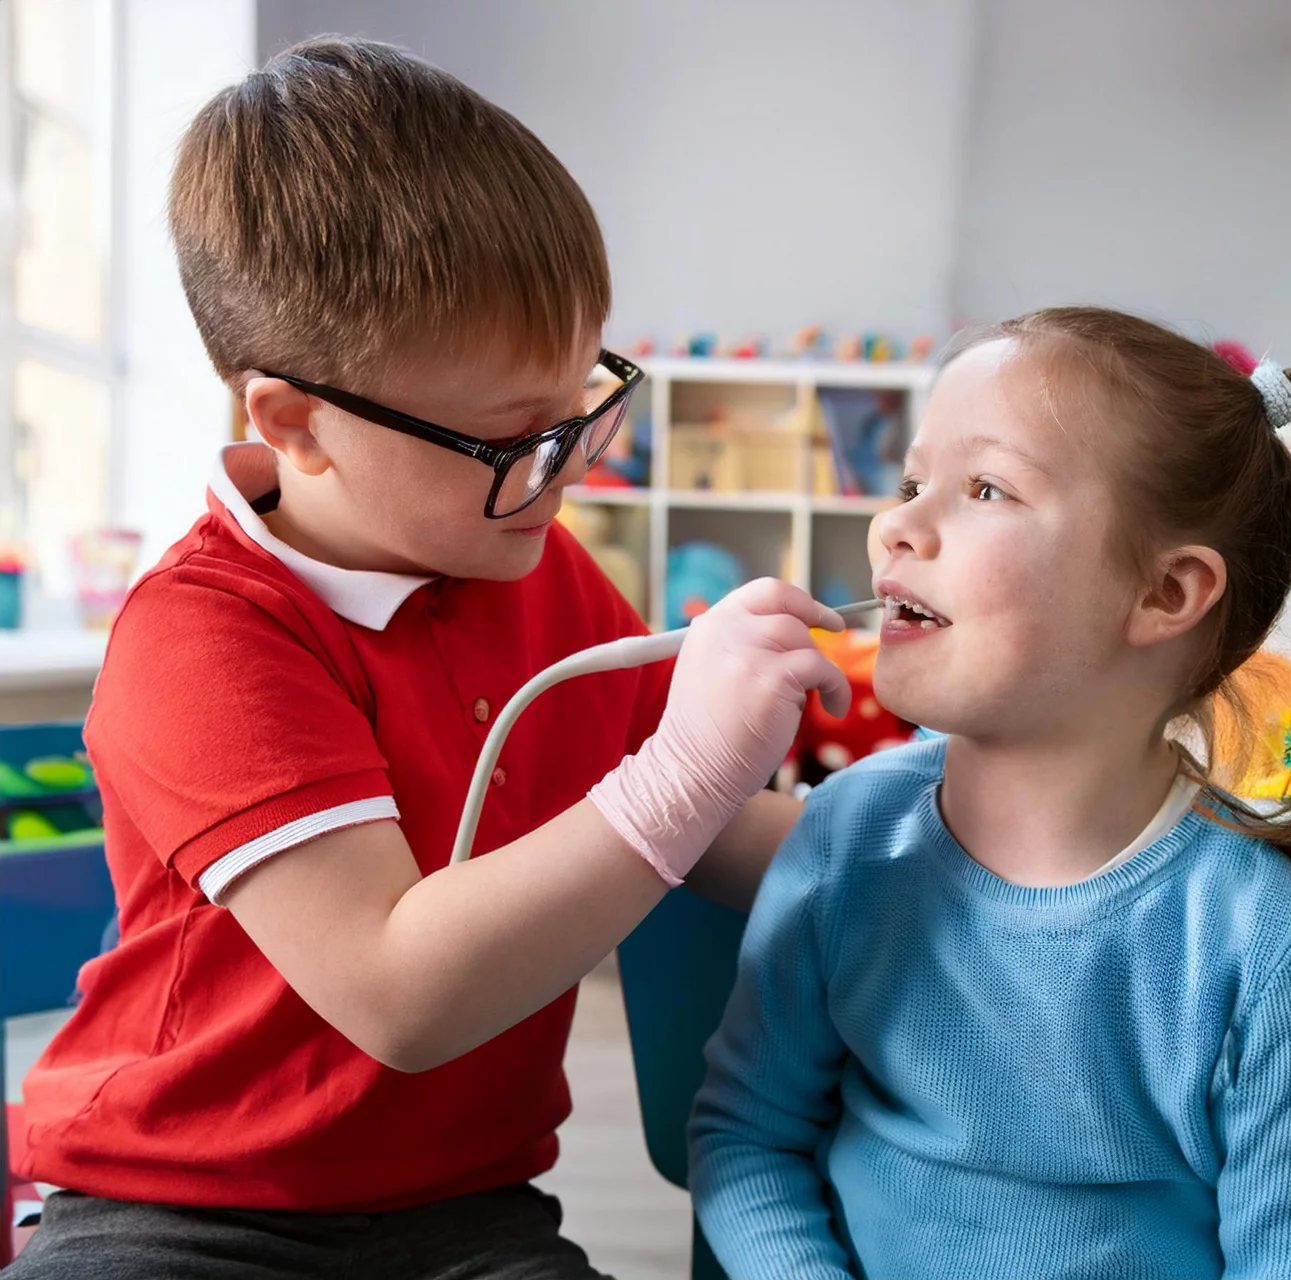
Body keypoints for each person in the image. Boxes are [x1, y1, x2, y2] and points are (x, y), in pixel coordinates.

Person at [9, 38, 848, 1279]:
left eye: (581, 409)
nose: (565, 473)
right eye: (516, 438)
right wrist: (684, 763)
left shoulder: (541, 568)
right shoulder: (204, 635)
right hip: (173, 1202)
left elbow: (717, 826)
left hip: (464, 1212)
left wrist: (942, 836)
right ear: (294, 422)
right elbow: (402, 993)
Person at [689, 307, 1291, 1279]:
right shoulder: (849, 837)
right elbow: (749, 1138)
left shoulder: (1260, 950)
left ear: (1165, 594)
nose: (895, 525)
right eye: (912, 481)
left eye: (985, 487)